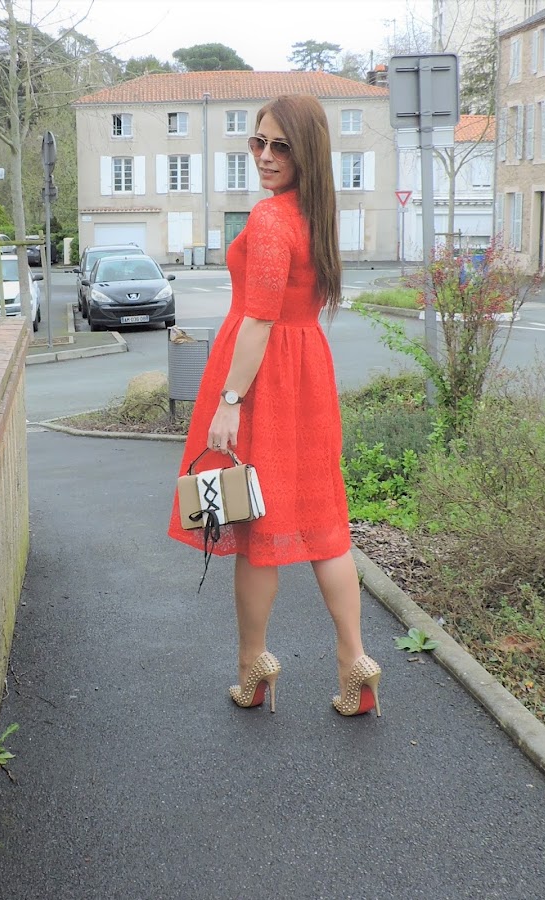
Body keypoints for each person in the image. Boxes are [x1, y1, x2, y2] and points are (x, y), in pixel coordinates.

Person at [167, 95, 381, 718]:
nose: (263, 155)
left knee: (250, 520)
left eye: (279, 146)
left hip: (260, 382)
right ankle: (354, 659)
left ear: (306, 151)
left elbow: (258, 320)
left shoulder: (268, 220)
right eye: (257, 142)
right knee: (324, 522)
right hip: (308, 375)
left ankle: (253, 664)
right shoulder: (316, 214)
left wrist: (229, 401)